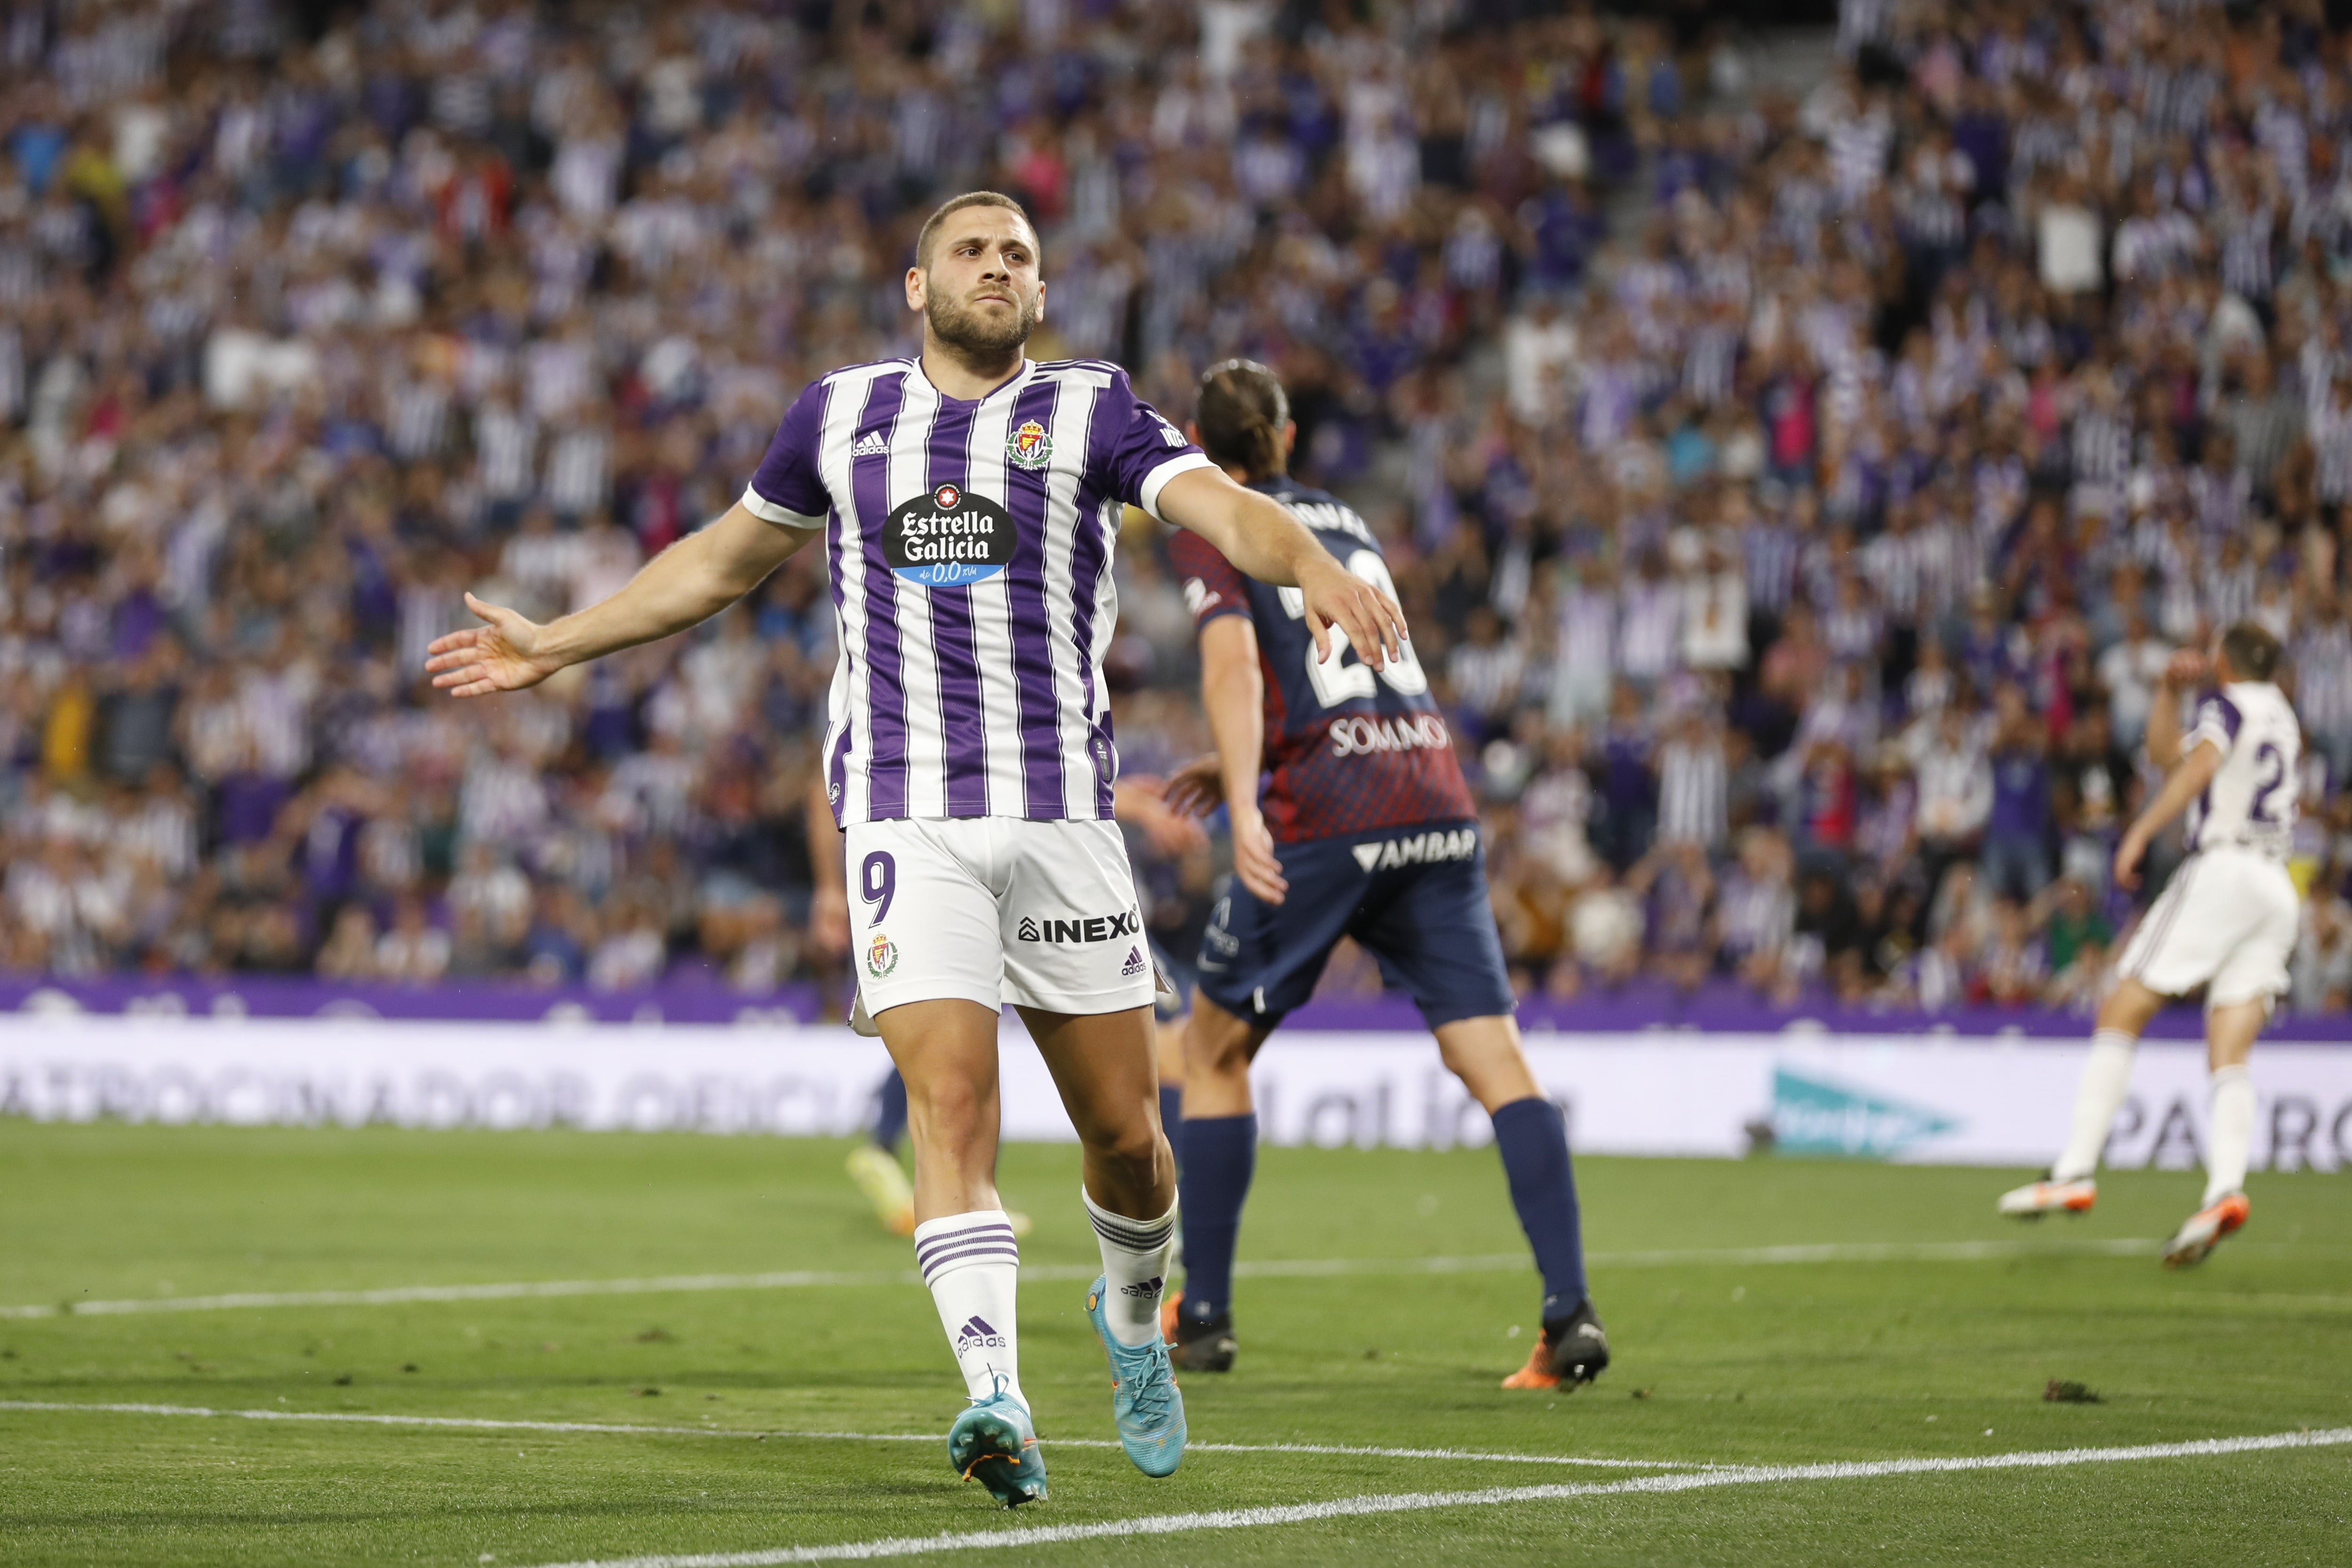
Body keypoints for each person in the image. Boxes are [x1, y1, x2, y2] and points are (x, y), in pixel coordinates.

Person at [426, 193, 1409, 1506]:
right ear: (916, 285)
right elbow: (719, 564)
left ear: (1039, 295)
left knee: (1125, 1140)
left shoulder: (1094, 409)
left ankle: (1129, 1318)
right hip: (905, 816)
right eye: (971, 252)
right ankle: (993, 1393)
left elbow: (1224, 512)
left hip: (1062, 820)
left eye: (1016, 256)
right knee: (951, 1106)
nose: (995, 269)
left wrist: (1308, 570)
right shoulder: (836, 417)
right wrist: (558, 640)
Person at [1158, 359, 1607, 1391]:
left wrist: (1242, 792)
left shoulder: (1212, 515)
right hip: (1431, 792)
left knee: (1213, 1051)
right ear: (1289, 433)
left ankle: (1208, 1319)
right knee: (1497, 1063)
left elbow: (1231, 663)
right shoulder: (1344, 517)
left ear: (1195, 440)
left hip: (1328, 811)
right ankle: (1568, 1314)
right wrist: (1252, 755)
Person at [1997, 624, 2303, 1268]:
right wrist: (2168, 693)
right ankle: (2224, 1191)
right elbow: (2165, 750)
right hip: (2275, 885)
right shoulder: (2280, 715)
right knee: (2229, 1045)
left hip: (2222, 869)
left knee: (2121, 1006)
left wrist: (2139, 831)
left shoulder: (2225, 704)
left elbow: (2195, 767)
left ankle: (2075, 1168)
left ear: (2223, 660)